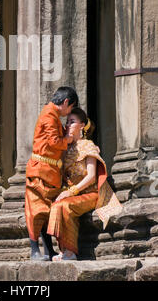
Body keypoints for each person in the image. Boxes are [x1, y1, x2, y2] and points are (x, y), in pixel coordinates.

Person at [47, 107, 122, 261]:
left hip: (92, 194)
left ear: (82, 125)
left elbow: (92, 176)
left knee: (64, 206)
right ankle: (63, 250)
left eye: (72, 122)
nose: (68, 125)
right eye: (67, 122)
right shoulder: (66, 150)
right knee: (55, 205)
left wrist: (71, 191)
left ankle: (71, 252)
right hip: (74, 195)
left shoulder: (88, 145)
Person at [25, 86, 79, 260]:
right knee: (35, 211)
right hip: (40, 171)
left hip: (51, 172)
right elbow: (54, 142)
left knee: (47, 212)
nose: (68, 112)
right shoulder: (49, 114)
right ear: (65, 103)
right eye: (70, 108)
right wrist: (69, 139)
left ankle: (48, 249)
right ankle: (34, 251)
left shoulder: (53, 116)